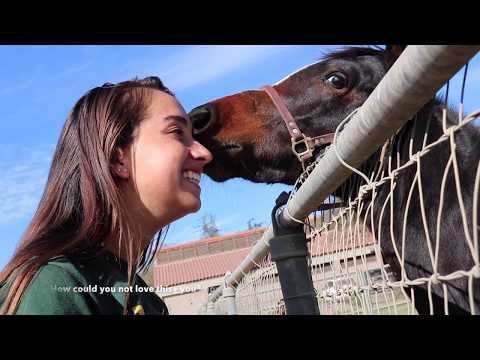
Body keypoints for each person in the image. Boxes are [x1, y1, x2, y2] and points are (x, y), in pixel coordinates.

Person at [0, 77, 213, 315]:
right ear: (116, 158)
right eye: (177, 132)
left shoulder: (144, 300)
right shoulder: (54, 288)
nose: (204, 153)